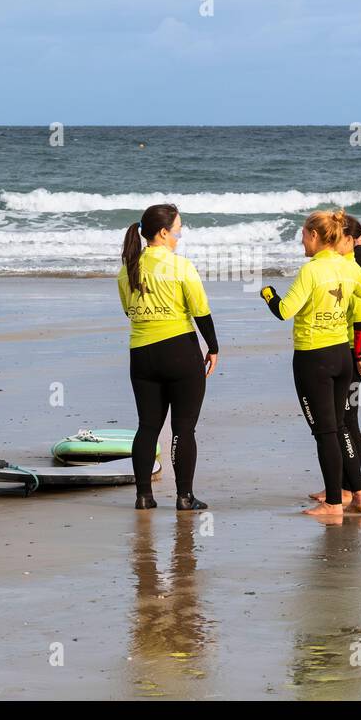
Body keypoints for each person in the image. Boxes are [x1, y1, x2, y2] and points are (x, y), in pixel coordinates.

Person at [260, 209, 361, 517]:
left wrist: (268, 294)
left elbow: (285, 310)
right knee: (338, 427)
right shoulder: (347, 267)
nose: (301, 242)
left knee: (326, 432)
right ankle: (342, 495)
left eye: (303, 236)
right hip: (341, 355)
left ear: (315, 236)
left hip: (314, 358)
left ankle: (334, 505)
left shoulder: (310, 271)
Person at [119, 203, 218, 510]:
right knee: (183, 428)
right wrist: (213, 347)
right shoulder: (180, 266)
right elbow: (200, 311)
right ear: (163, 233)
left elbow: (128, 311)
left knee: (147, 426)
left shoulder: (127, 270)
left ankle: (144, 496)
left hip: (142, 355)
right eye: (177, 231)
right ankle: (184, 496)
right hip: (179, 353)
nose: (179, 236)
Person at [310, 214, 361, 510]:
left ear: (348, 240)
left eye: (339, 238)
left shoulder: (349, 269)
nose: (333, 242)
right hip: (347, 353)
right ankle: (339, 486)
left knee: (347, 423)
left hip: (350, 355)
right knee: (343, 423)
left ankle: (349, 490)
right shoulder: (345, 266)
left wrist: (359, 354)